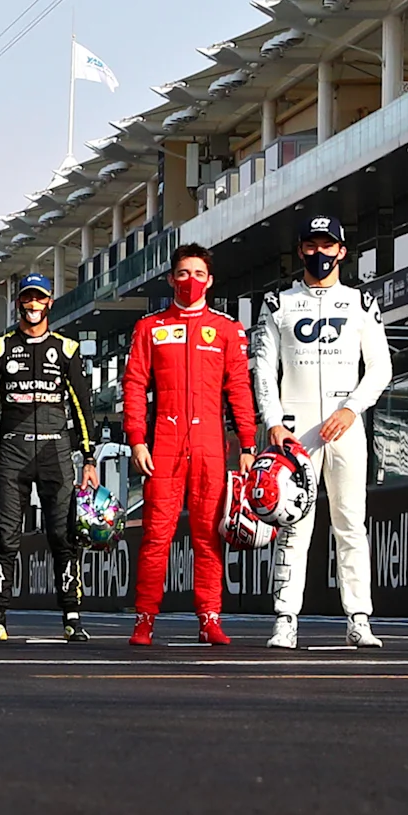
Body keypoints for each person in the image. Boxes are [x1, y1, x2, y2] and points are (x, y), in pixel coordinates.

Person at [250, 215, 391, 650]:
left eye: (327, 245)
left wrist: (351, 409)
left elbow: (381, 368)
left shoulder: (362, 302)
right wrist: (272, 421)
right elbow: (262, 369)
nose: (319, 252)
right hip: (294, 433)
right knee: (294, 527)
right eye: (311, 245)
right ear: (300, 250)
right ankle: (285, 618)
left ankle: (359, 618)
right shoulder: (278, 303)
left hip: (344, 427)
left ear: (342, 251)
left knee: (351, 524)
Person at [123, 244, 259, 648]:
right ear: (170, 279)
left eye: (198, 273)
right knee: (156, 535)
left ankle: (209, 617)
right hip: (163, 441)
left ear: (210, 280)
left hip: (210, 444)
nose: (190, 281)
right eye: (182, 273)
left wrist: (248, 443)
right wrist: (136, 439)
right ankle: (145, 619)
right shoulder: (149, 328)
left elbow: (239, 388)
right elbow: (133, 385)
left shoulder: (228, 329)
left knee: (208, 535)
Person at [0, 274, 92, 642]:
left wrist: (88, 457)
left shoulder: (67, 349)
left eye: (39, 298)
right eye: (27, 298)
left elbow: (82, 405)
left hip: (56, 450)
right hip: (12, 451)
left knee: (62, 535)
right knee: (7, 537)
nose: (33, 304)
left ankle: (72, 615)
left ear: (49, 302)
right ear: (19, 304)